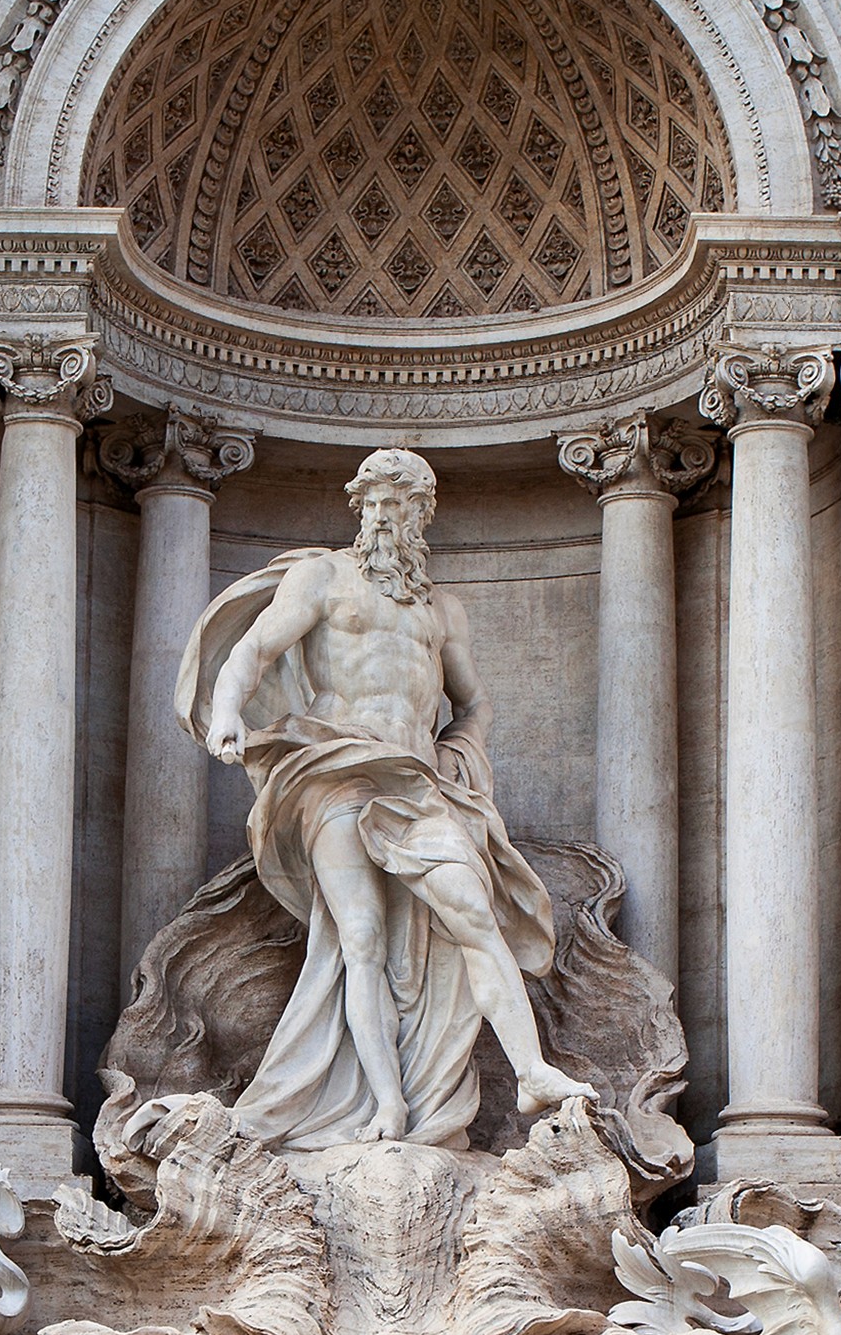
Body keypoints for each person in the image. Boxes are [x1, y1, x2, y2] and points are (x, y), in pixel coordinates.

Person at [181, 448, 598, 1148]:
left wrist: (460, 753)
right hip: (334, 771)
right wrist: (228, 712)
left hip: (414, 782)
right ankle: (387, 1107)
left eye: (395, 504)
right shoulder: (323, 578)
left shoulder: (441, 611)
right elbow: (251, 652)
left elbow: (474, 703)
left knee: (472, 908)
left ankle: (532, 1071)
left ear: (420, 517)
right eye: (371, 502)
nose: (380, 516)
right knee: (361, 940)